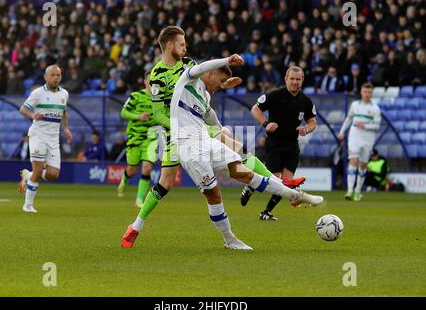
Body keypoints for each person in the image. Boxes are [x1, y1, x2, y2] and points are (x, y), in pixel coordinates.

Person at [121, 54, 323, 250]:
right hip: (182, 139)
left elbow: (211, 113)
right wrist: (227, 61)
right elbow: (201, 70)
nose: (184, 49)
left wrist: (223, 88)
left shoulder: (204, 94)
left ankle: (292, 194)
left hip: (203, 137)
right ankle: (139, 225)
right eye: (220, 80)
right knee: (183, 186)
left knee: (242, 167)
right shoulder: (185, 77)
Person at [240, 66, 316, 221]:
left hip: (292, 145)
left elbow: (313, 122)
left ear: (302, 81)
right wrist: (265, 123)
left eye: (298, 79)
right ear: (285, 79)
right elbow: (255, 109)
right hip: (274, 143)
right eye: (292, 79)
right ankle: (251, 186)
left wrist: (306, 129)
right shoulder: (275, 95)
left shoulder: (306, 101)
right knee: (276, 180)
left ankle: (266, 212)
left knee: (286, 183)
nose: (295, 82)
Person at [18, 65, 72, 213]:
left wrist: (66, 128)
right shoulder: (38, 93)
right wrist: (32, 115)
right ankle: (28, 205)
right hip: (38, 136)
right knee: (39, 168)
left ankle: (27, 175)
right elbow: (23, 109)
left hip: (54, 138)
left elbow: (64, 112)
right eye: (53, 75)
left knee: (53, 174)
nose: (56, 78)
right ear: (46, 77)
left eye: (58, 75)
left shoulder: (64, 94)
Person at [117, 70, 159, 207]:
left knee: (147, 168)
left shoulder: (160, 99)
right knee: (132, 169)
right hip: (135, 137)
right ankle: (124, 179)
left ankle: (139, 199)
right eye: (150, 80)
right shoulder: (135, 96)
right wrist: (138, 116)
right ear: (145, 81)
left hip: (151, 138)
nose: (153, 83)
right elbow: (123, 112)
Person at [338, 83, 381, 201]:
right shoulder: (355, 105)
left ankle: (358, 191)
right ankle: (350, 191)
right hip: (354, 138)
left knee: (362, 164)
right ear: (361, 92)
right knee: (353, 161)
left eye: (369, 92)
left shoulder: (375, 108)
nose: (367, 94)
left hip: (368, 140)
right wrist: (342, 131)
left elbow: (377, 126)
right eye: (365, 92)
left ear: (371, 93)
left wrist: (365, 126)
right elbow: (349, 118)